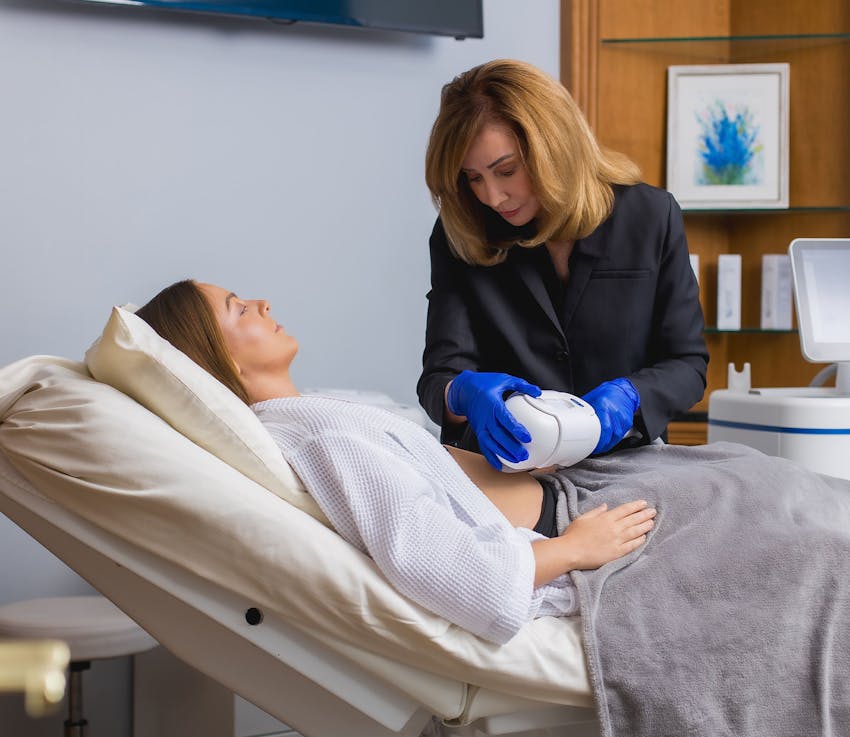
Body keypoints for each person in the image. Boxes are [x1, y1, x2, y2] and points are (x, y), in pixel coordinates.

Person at [135, 279, 656, 645]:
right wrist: (574, 549)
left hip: (562, 487)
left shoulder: (307, 414)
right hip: (565, 525)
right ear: (220, 359)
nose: (263, 303)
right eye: (239, 308)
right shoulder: (319, 438)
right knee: (733, 490)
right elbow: (458, 573)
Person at [418, 59, 709, 471]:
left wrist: (632, 396)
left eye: (506, 171)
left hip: (630, 461)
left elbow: (688, 363)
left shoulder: (647, 215)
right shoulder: (461, 234)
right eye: (473, 178)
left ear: (554, 146)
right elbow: (439, 377)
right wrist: (459, 393)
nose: (493, 197)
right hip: (514, 466)